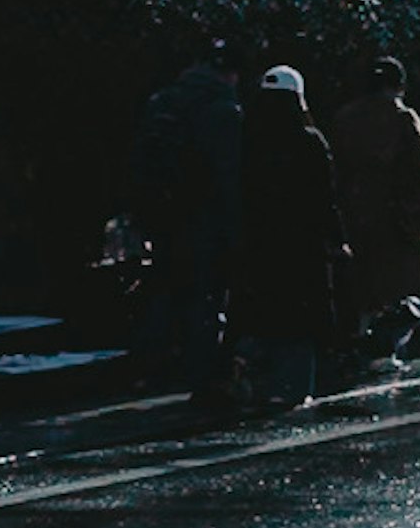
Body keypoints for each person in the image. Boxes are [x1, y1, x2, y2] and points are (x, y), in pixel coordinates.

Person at [132, 44, 242, 399]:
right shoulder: (223, 111)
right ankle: (202, 374)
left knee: (164, 290)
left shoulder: (162, 102)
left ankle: (151, 367)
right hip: (204, 219)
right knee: (204, 298)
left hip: (163, 217)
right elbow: (229, 176)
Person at [236, 65, 348, 408]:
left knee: (258, 312)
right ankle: (292, 387)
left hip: (256, 241)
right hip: (301, 245)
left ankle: (253, 376)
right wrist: (337, 238)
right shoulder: (309, 141)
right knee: (299, 320)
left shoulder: (248, 137)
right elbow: (325, 197)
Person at [329, 55, 420, 364]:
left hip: (355, 216)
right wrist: (416, 208)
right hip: (396, 220)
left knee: (362, 289)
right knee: (400, 295)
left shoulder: (345, 118)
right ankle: (387, 352)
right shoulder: (403, 118)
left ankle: (357, 344)